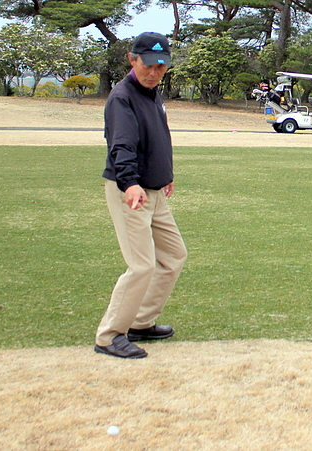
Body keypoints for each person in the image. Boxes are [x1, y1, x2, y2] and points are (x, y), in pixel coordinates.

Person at [95, 32, 188, 359]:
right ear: (132, 60)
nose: (154, 71)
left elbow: (158, 137)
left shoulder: (153, 94)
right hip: (130, 190)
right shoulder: (123, 98)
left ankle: (140, 322)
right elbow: (121, 146)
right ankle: (110, 335)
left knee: (174, 255)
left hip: (154, 190)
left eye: (161, 66)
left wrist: (166, 176)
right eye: (148, 64)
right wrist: (131, 184)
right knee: (141, 265)